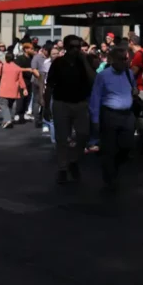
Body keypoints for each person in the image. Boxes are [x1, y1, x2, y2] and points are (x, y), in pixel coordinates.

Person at [44, 35, 95, 185]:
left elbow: (93, 80)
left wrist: (85, 61)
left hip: (80, 103)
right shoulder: (58, 63)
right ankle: (62, 168)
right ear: (65, 47)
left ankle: (73, 160)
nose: (75, 50)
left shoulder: (84, 62)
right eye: (72, 47)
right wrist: (46, 106)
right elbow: (50, 86)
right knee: (62, 138)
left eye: (78, 47)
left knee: (83, 135)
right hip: (61, 103)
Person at [89, 47, 136, 191]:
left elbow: (133, 89)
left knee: (126, 146)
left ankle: (115, 165)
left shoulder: (129, 73)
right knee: (109, 148)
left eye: (126, 59)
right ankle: (109, 177)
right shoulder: (103, 76)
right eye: (122, 59)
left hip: (127, 115)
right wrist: (95, 120)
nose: (125, 62)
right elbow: (95, 98)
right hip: (110, 114)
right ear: (113, 60)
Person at [0, 53, 28, 129]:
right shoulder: (17, 67)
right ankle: (7, 120)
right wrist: (24, 88)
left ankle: (8, 120)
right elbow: (21, 79)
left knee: (2, 104)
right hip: (14, 89)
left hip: (4, 89)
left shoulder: (3, 66)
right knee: (10, 105)